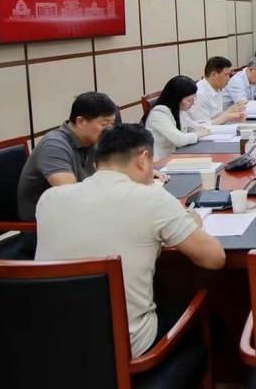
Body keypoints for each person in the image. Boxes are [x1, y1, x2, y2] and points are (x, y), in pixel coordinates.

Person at [35, 124, 225, 358]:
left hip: (53, 341)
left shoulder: (49, 199)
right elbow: (214, 258)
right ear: (143, 159)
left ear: (96, 163)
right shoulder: (152, 198)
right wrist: (189, 222)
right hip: (125, 347)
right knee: (211, 313)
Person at [16, 92, 118, 255]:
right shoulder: (54, 145)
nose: (109, 130)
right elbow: (71, 196)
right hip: (45, 233)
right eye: (104, 124)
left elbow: (114, 173)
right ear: (81, 121)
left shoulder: (92, 141)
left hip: (78, 222)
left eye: (112, 124)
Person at [143, 76, 209, 160]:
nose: (193, 103)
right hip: (160, 162)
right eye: (189, 100)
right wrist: (197, 134)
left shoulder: (179, 110)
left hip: (176, 156)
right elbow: (179, 140)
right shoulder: (159, 113)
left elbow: (196, 126)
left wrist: (200, 130)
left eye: (194, 99)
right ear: (177, 98)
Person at [183, 56, 245, 130]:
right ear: (214, 75)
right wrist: (227, 115)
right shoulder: (199, 94)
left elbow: (215, 117)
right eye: (226, 75)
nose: (229, 78)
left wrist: (230, 113)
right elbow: (202, 126)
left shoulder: (217, 88)